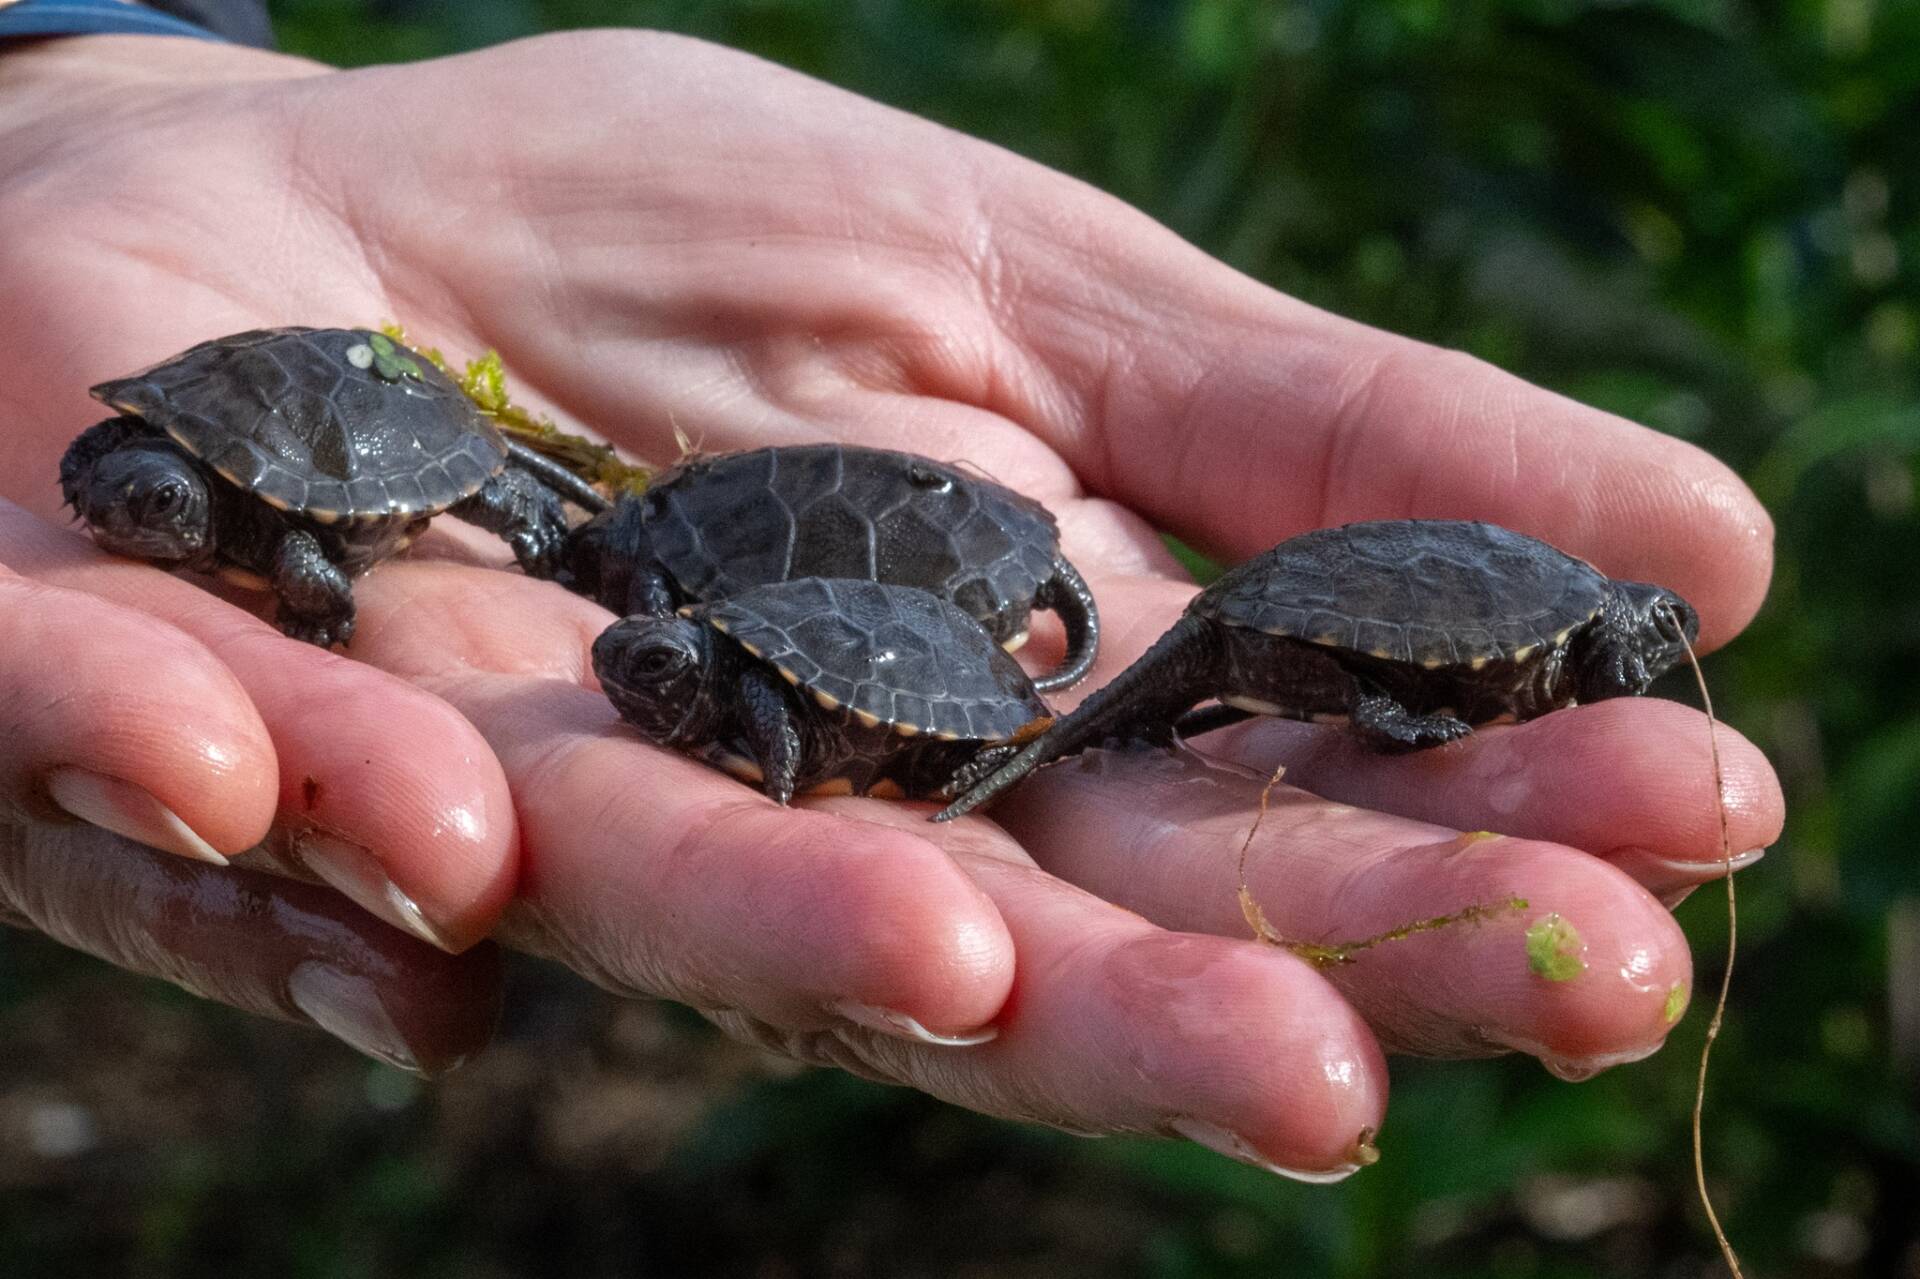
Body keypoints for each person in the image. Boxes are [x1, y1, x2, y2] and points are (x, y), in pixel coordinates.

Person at [0, 11, 1783, 1182]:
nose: (115, 505)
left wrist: (83, 67)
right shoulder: (225, 468)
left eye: (135, 494)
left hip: (954, 636)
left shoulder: (1526, 621)